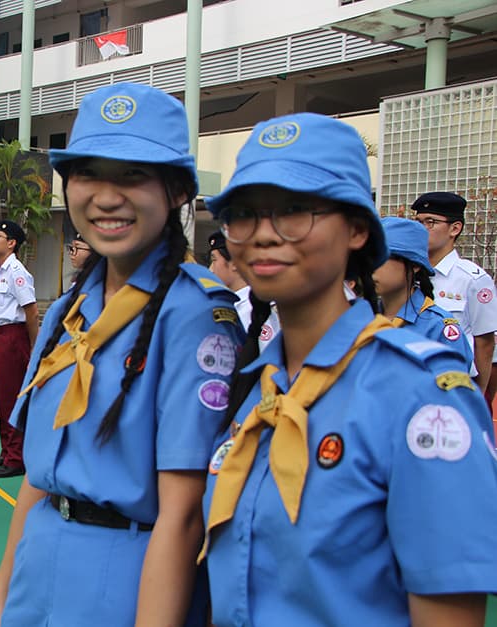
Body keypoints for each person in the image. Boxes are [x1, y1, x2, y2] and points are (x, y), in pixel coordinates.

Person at [201, 112, 497, 626]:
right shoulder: (254, 387)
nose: (264, 235)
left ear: (358, 229)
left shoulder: (421, 396)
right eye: (245, 214)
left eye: (295, 210)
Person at [0, 83, 244, 627]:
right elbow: (37, 479)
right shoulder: (67, 312)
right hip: (41, 563)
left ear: (177, 190)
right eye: (88, 174)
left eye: (132, 175)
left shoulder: (194, 315)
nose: (106, 197)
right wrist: (2, 606)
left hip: (128, 575)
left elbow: (182, 515)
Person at [413, 191, 497, 390]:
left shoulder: (473, 280)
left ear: (455, 228)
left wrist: (478, 395)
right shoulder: (408, 272)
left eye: (430, 222)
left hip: (453, 383)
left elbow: (484, 344)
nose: (422, 229)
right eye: (418, 222)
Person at [373, 217, 473, 370]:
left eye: (382, 258)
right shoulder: (364, 319)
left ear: (414, 265)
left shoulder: (438, 327)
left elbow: (452, 390)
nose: (371, 268)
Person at [0, 219, 38, 478]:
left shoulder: (17, 271)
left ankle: (17, 458)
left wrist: (33, 346)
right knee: (0, 395)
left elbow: (31, 310)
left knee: (11, 397)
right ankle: (7, 450)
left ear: (11, 243)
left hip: (12, 337)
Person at [208, 229, 280, 352]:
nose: (211, 270)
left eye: (214, 260)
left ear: (235, 263)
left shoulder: (255, 310)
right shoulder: (230, 305)